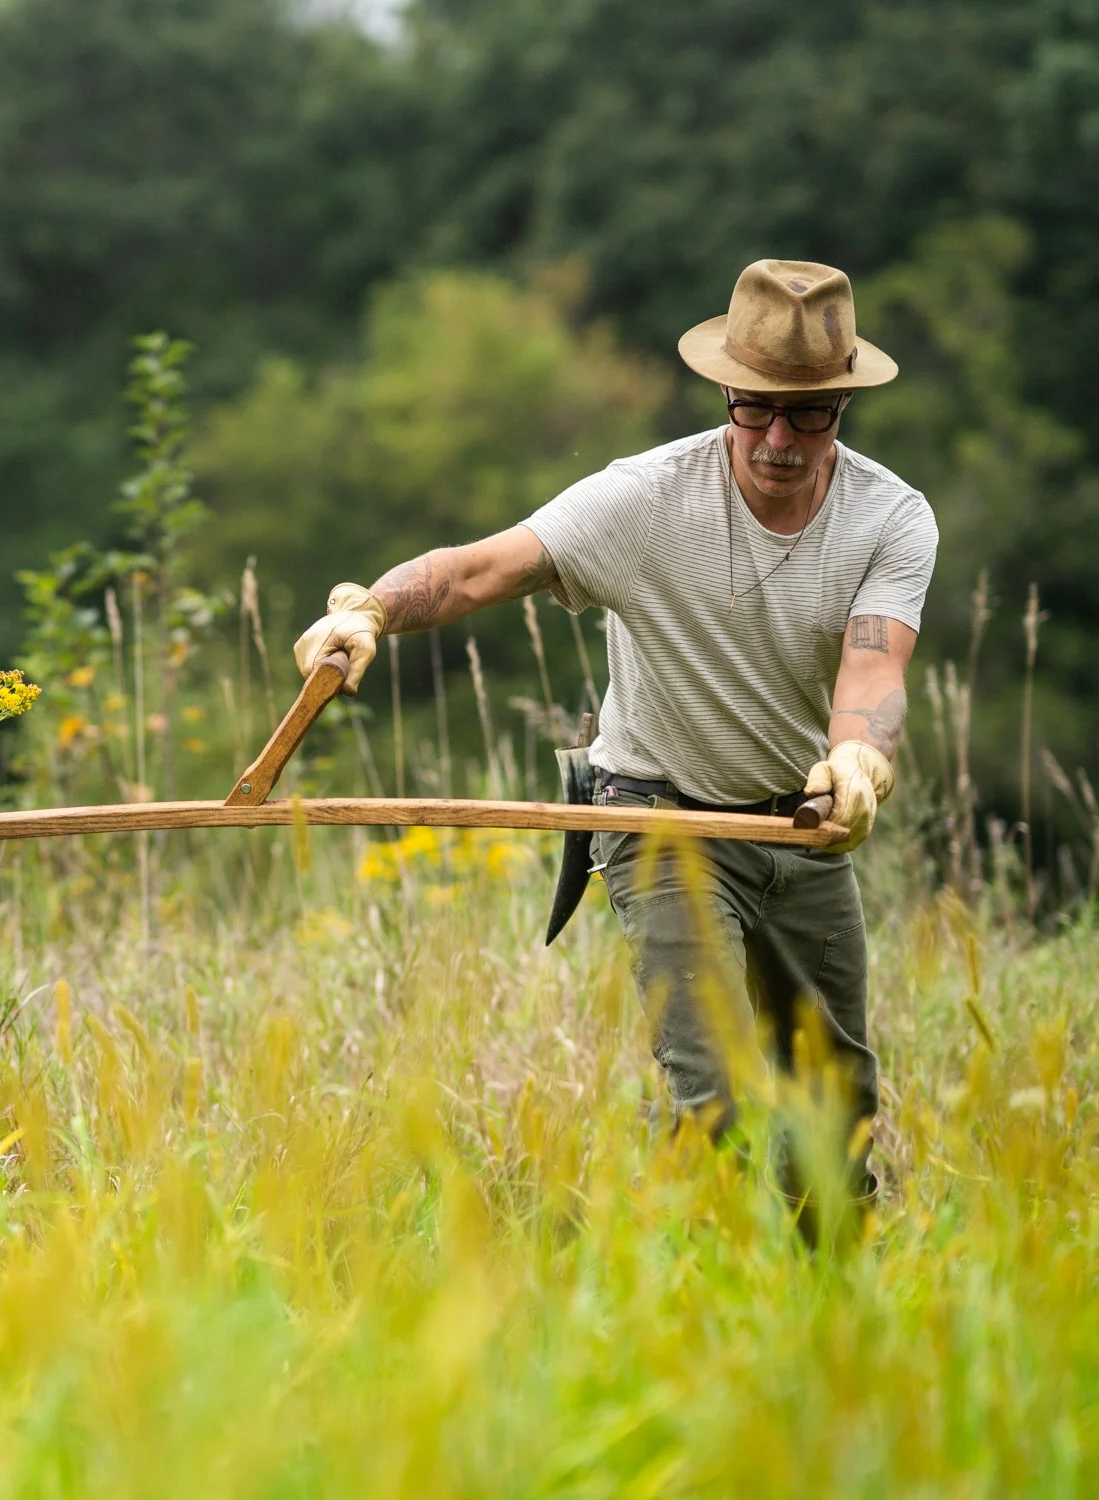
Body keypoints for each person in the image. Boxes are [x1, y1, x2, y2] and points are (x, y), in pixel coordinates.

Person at [292, 260, 936, 1221]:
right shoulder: (643, 500)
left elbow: (873, 676)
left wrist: (858, 764)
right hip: (661, 817)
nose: (778, 440)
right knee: (717, 1102)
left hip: (799, 828)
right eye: (755, 408)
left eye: (810, 416)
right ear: (726, 390)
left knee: (831, 1117)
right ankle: (679, 1318)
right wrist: (371, 609)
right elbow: (478, 572)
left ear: (843, 404)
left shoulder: (891, 517)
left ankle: (829, 1328)